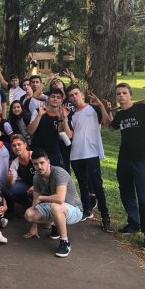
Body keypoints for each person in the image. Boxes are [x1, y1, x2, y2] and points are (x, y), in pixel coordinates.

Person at [66, 84, 112, 232]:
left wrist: (101, 106)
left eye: (76, 94)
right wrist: (64, 119)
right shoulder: (72, 114)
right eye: (71, 95)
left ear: (82, 94)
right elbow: (70, 134)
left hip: (91, 153)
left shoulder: (94, 109)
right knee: (83, 184)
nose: (74, 97)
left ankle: (105, 217)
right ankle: (87, 209)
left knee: (97, 185)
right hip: (76, 154)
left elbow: (106, 123)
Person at [24, 150, 83, 257]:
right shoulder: (36, 177)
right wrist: (34, 226)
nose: (39, 167)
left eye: (42, 163)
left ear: (48, 162)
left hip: (75, 210)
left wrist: (41, 197)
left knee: (56, 206)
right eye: (36, 164)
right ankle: (55, 224)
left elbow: (60, 199)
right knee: (29, 214)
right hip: (55, 207)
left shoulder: (59, 173)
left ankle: (65, 243)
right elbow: (35, 201)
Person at [108, 83, 145, 235]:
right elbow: (111, 127)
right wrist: (106, 108)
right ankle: (134, 223)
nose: (121, 96)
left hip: (141, 159)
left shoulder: (141, 109)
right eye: (118, 93)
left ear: (131, 95)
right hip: (124, 159)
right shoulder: (119, 115)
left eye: (124, 93)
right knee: (126, 192)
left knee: (143, 196)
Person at [28, 89, 69, 168]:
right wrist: (39, 116)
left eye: (58, 97)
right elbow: (30, 131)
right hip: (37, 149)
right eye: (53, 97)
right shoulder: (38, 111)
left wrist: (61, 119)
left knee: (57, 176)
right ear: (48, 99)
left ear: (61, 101)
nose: (55, 99)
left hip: (54, 151)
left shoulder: (63, 114)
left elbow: (61, 135)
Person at [5, 135, 35, 207]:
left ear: (25, 145)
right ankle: (28, 204)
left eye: (19, 144)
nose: (17, 147)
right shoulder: (14, 163)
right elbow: (10, 185)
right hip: (28, 186)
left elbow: (47, 175)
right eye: (14, 146)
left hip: (43, 185)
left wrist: (36, 186)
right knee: (6, 190)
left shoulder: (35, 155)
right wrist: (9, 180)